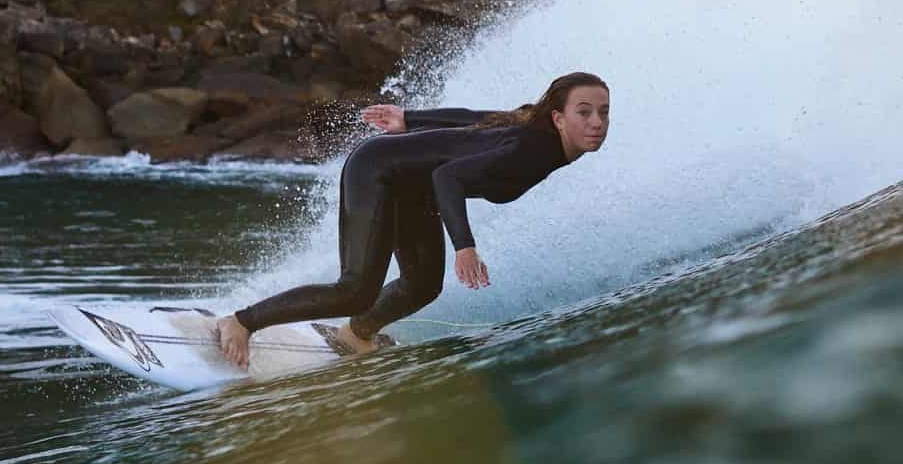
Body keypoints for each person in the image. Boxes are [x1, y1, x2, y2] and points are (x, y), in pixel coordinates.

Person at [217, 72, 610, 363]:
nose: (596, 122)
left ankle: (354, 335)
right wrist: (465, 247)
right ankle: (241, 321)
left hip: (413, 187)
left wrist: (411, 118)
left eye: (603, 113)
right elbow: (448, 176)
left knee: (423, 284)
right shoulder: (534, 149)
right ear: (559, 118)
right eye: (584, 112)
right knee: (356, 288)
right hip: (378, 171)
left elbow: (475, 118)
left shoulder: (531, 129)